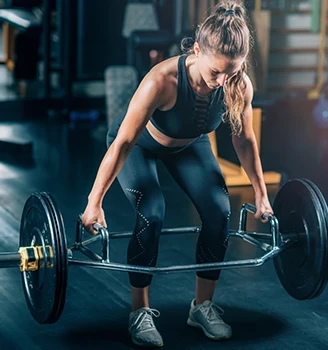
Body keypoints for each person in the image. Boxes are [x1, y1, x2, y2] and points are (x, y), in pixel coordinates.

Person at [82, 0, 273, 347]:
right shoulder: (162, 80)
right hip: (140, 145)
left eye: (231, 72)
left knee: (219, 212)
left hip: (189, 146)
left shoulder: (237, 84)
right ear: (197, 50)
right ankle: (139, 313)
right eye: (215, 72)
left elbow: (244, 140)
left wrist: (260, 194)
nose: (221, 81)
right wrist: (94, 202)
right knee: (152, 213)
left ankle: (202, 306)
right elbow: (123, 143)